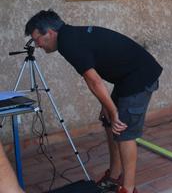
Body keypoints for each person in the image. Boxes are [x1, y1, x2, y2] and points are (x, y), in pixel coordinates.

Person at [25, 10, 163, 193]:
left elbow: (94, 80)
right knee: (108, 122)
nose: (38, 45)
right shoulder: (70, 37)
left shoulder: (68, 43)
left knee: (124, 129)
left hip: (140, 75)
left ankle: (128, 188)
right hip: (126, 76)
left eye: (37, 39)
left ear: (50, 33)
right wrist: (107, 107)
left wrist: (113, 111)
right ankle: (114, 176)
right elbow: (99, 71)